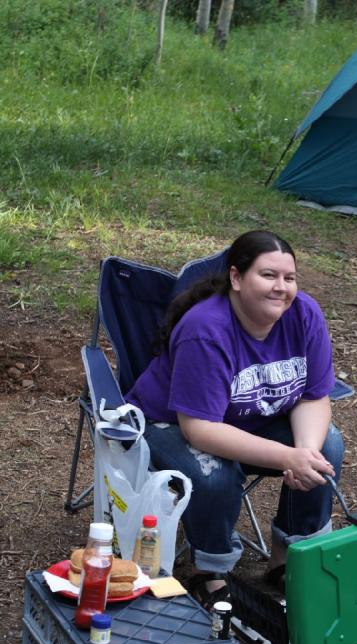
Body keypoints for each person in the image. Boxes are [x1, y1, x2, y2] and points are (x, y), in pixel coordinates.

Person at [125, 230, 344, 609]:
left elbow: (313, 396)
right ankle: (211, 570)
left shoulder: (304, 314)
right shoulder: (206, 330)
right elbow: (200, 429)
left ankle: (290, 559)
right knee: (216, 474)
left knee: (327, 446)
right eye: (268, 275)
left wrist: (303, 454)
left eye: (289, 278)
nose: (281, 288)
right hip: (171, 423)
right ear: (236, 278)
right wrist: (285, 457)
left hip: (247, 418)